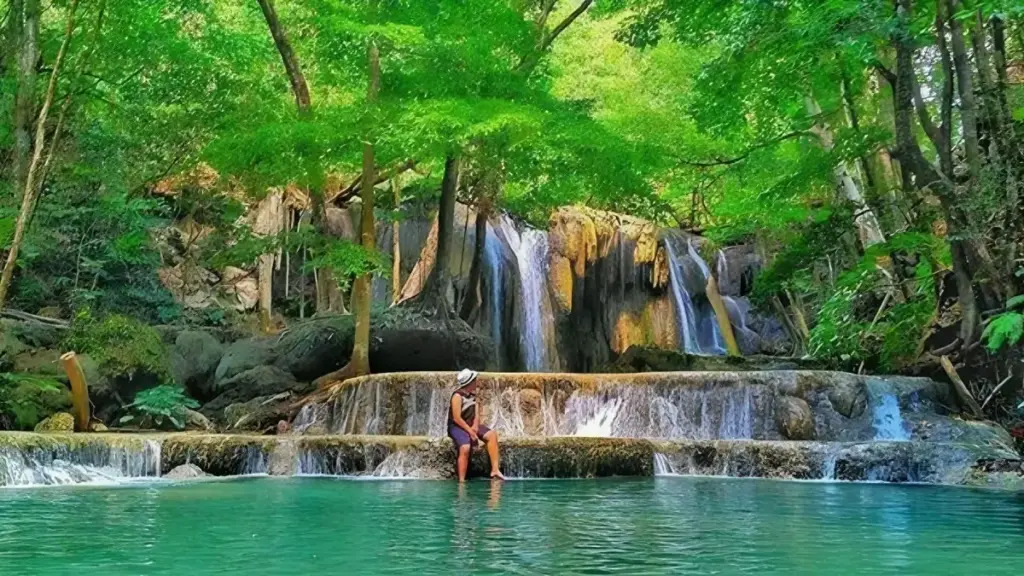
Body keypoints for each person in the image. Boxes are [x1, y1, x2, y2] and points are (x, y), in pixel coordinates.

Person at [448, 369, 505, 482]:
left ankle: (495, 470)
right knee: (465, 447)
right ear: (470, 382)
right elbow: (457, 418)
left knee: (492, 435)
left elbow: (477, 412)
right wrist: (470, 431)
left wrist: (475, 426)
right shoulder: (457, 396)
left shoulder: (474, 395)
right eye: (474, 380)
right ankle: (462, 480)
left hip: (470, 425)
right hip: (457, 426)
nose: (476, 382)